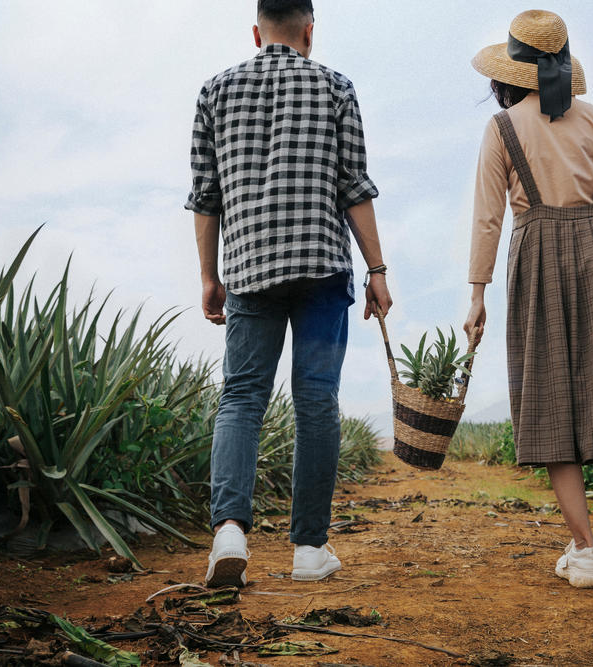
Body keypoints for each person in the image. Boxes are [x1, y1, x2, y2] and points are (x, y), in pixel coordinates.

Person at [463, 9, 593, 592]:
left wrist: (477, 293)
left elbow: (488, 216)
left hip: (537, 259)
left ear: (509, 73)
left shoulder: (503, 128)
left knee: (551, 402)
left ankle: (585, 552)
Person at [186, 0, 392, 587]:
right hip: (322, 268)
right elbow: (354, 186)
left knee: (242, 398)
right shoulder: (335, 86)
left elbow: (206, 196)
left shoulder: (215, 92)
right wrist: (377, 269)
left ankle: (229, 533)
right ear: (309, 30)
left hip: (249, 269)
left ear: (257, 31)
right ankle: (309, 549)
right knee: (316, 398)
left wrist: (209, 276)